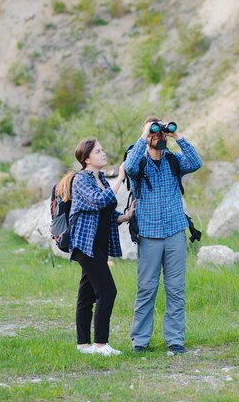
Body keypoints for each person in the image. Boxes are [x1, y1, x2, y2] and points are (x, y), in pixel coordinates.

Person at [125, 117, 202, 354]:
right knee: (147, 289)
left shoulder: (173, 160)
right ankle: (140, 341)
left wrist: (176, 136)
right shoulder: (139, 164)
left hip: (175, 232)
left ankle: (175, 340)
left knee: (176, 289)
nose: (158, 137)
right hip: (149, 233)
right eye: (154, 133)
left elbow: (196, 162)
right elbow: (128, 168)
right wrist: (143, 135)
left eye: (160, 133)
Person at [59, 137, 135, 356]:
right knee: (108, 291)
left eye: (102, 149)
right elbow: (99, 201)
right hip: (85, 243)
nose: (103, 153)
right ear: (87, 158)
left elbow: (106, 212)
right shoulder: (81, 180)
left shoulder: (100, 178)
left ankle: (83, 345)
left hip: (100, 245)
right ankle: (101, 345)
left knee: (86, 295)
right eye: (98, 151)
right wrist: (120, 178)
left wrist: (126, 216)